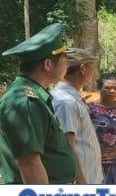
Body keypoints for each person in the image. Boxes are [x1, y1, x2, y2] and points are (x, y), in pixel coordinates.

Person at [0, 23, 77, 184]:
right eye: (65, 58)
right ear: (48, 64)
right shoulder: (25, 101)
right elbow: (30, 165)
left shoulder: (34, 96)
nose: (68, 65)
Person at [51, 48, 103, 184]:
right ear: (83, 68)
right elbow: (68, 144)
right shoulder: (65, 102)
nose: (94, 73)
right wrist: (80, 180)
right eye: (93, 68)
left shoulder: (73, 98)